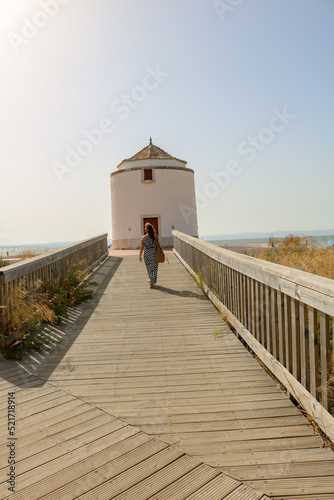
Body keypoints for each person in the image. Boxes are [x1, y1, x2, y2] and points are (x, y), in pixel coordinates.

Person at [139, 223, 159, 288]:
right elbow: (158, 246)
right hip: (154, 254)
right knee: (154, 268)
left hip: (147, 254)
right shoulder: (155, 236)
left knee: (149, 268)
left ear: (146, 230)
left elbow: (142, 248)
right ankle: (152, 283)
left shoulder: (143, 238)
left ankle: (151, 280)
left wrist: (140, 256)